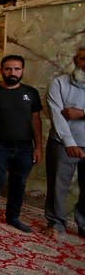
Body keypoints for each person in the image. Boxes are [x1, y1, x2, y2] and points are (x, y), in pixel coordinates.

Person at [0, 55, 42, 233]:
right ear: (1, 70)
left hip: (24, 148)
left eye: (16, 69)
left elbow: (36, 120)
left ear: (22, 70)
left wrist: (38, 147)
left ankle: (13, 216)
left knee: (19, 183)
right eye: (8, 69)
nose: (12, 72)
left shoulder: (30, 93)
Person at [43, 46, 85, 239]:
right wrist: (70, 143)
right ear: (76, 60)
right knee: (58, 185)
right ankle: (56, 223)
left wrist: (81, 114)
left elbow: (74, 114)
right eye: (83, 59)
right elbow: (57, 115)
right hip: (62, 143)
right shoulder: (59, 83)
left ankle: (83, 224)